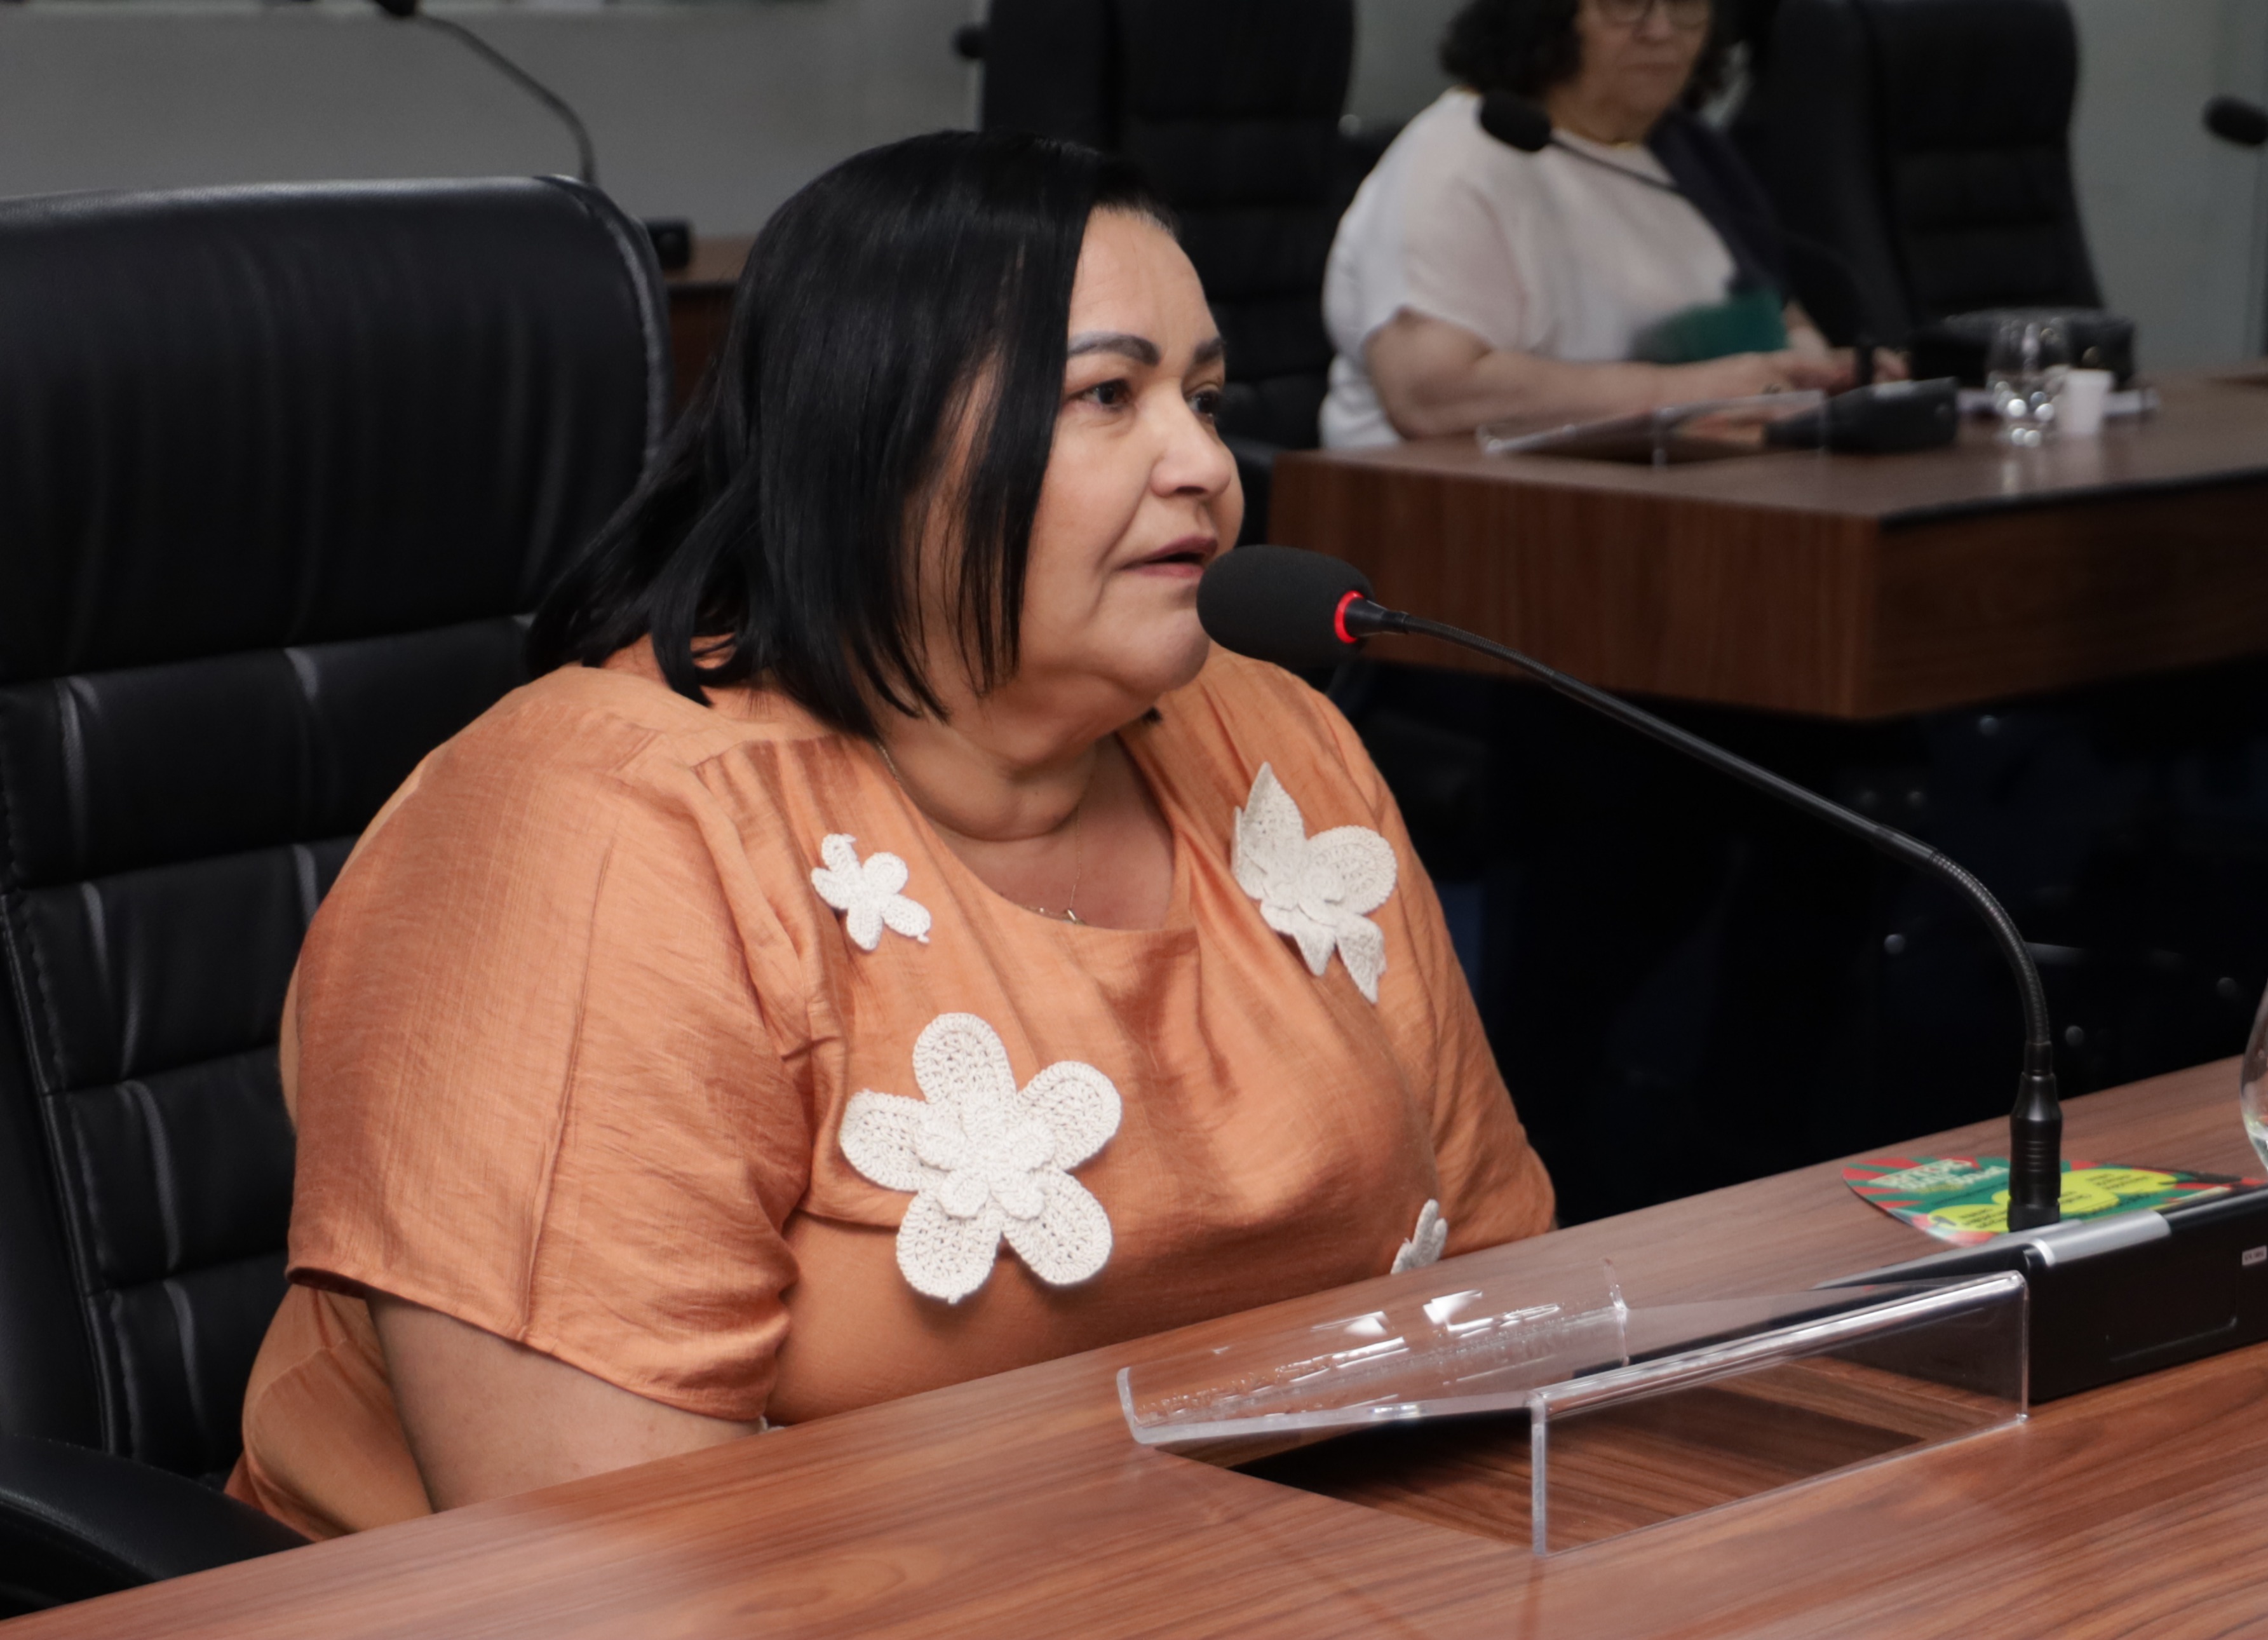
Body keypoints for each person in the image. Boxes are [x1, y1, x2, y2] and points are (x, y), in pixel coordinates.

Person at [225, 131, 1555, 1540]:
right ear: (875, 443)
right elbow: (597, 1569)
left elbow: (1496, 1290)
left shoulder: (1273, 739)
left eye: (1207, 399)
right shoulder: (603, 831)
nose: (1206, 468)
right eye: (1107, 395)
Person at [1322, 0, 1880, 447]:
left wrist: (1827, 376)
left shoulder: (1690, 151)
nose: (1661, 30)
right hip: (1459, 511)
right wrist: (1699, 389)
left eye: (1686, 5)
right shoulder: (1459, 155)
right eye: (1626, 4)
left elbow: (1780, 319)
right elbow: (1430, 395)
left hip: (1690, 482)